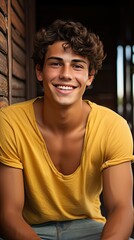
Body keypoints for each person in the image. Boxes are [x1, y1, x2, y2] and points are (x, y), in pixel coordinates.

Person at [0, 19, 134, 240]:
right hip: (30, 231)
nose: (65, 74)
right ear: (39, 71)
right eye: (55, 63)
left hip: (91, 230)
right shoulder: (10, 122)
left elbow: (121, 207)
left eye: (77, 65)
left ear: (89, 77)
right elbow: (9, 214)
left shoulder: (112, 126)